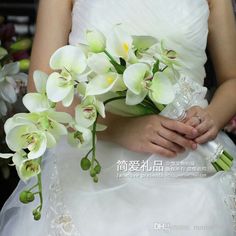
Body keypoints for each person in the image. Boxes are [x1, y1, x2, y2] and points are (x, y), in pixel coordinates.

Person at [0, 0, 236, 235]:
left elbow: (232, 79)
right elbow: (42, 88)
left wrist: (213, 116)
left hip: (190, 156)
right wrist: (119, 128)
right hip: (92, 164)